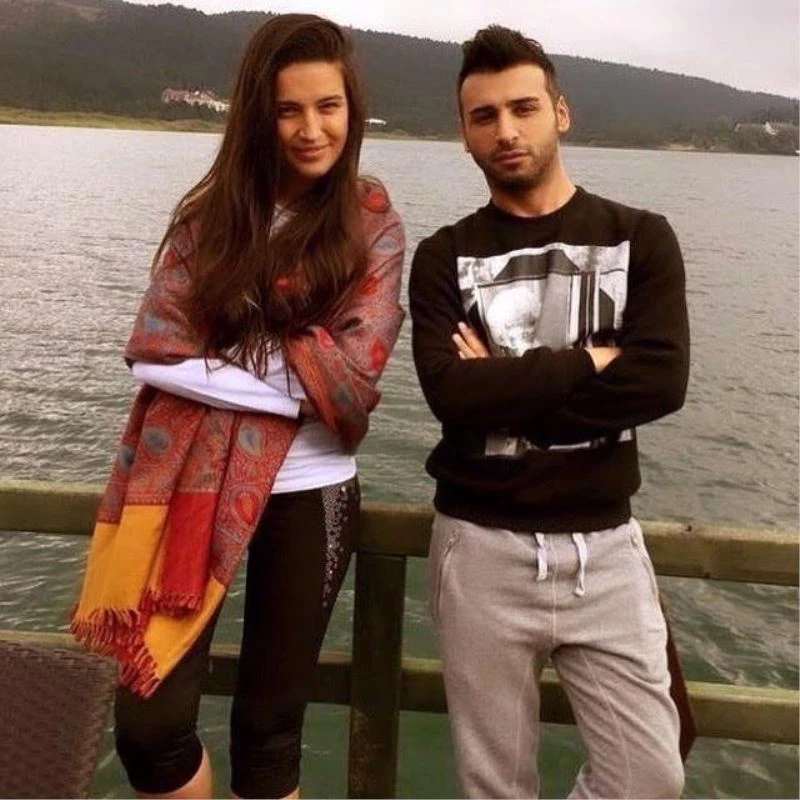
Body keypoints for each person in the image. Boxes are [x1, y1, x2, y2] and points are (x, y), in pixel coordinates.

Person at [71, 13, 405, 799]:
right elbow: (155, 350)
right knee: (149, 725)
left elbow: (353, 382)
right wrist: (297, 370)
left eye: (328, 106)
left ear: (352, 111)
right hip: (190, 484)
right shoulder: (212, 217)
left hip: (312, 490)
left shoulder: (373, 227)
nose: (311, 129)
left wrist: (225, 356)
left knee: (269, 731)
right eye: (289, 109)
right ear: (260, 113)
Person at [409, 25, 689, 799]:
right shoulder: (443, 256)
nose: (506, 130)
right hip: (479, 548)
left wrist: (503, 388)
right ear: (464, 134)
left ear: (560, 113)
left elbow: (661, 383)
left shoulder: (640, 238)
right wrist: (587, 363)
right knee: (494, 785)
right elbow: (450, 395)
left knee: (650, 777)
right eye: (484, 116)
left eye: (523, 108)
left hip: (607, 550)